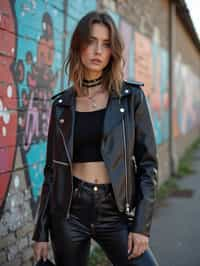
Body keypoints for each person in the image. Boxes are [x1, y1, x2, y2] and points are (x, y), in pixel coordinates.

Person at [32, 10, 159, 266]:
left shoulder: (130, 98)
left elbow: (148, 165)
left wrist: (141, 226)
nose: (98, 50)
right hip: (69, 213)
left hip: (114, 211)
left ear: (113, 51)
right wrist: (40, 233)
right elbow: (51, 173)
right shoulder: (62, 106)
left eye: (106, 44)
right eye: (91, 41)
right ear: (79, 44)